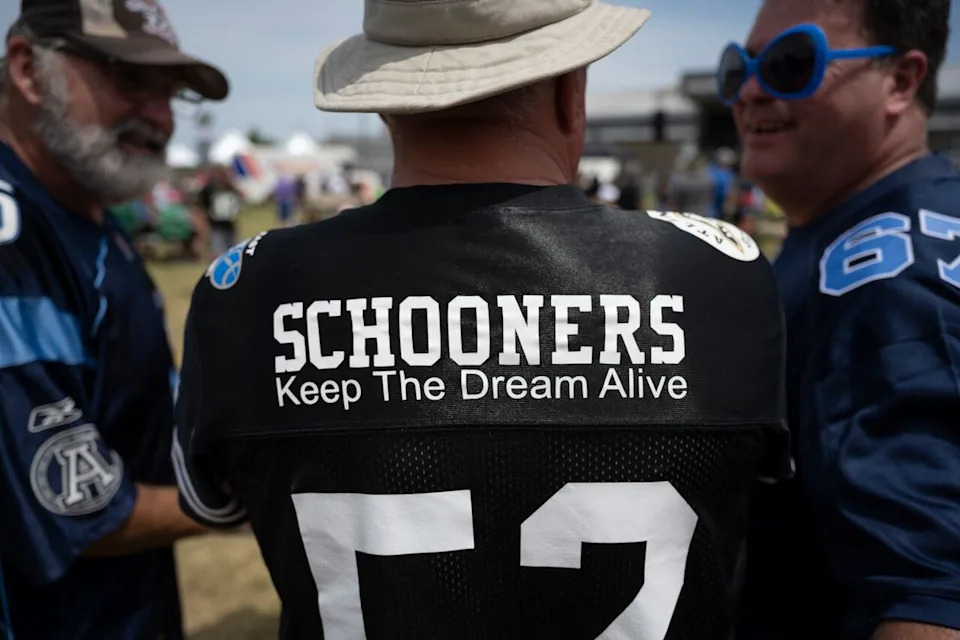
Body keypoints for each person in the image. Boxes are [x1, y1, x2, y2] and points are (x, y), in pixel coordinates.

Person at [175, 1, 789, 637]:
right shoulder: (718, 278)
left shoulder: (246, 292)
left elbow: (216, 505)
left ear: (386, 100)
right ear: (571, 93)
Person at [716, 0, 960, 638]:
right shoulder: (894, 226)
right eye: (737, 67)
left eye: (791, 63)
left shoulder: (881, 280)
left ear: (900, 81)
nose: (749, 91)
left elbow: (934, 602)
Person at [0, 0, 229, 637]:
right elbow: (74, 507)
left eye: (171, 93)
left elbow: (145, 410)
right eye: (129, 79)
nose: (160, 118)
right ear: (28, 68)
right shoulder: (13, 242)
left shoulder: (90, 216)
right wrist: (249, 498)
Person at [198, 165, 243, 258]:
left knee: (232, 248)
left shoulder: (229, 187)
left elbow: (241, 196)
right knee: (217, 248)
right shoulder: (210, 189)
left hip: (229, 223)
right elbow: (203, 205)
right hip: (215, 224)